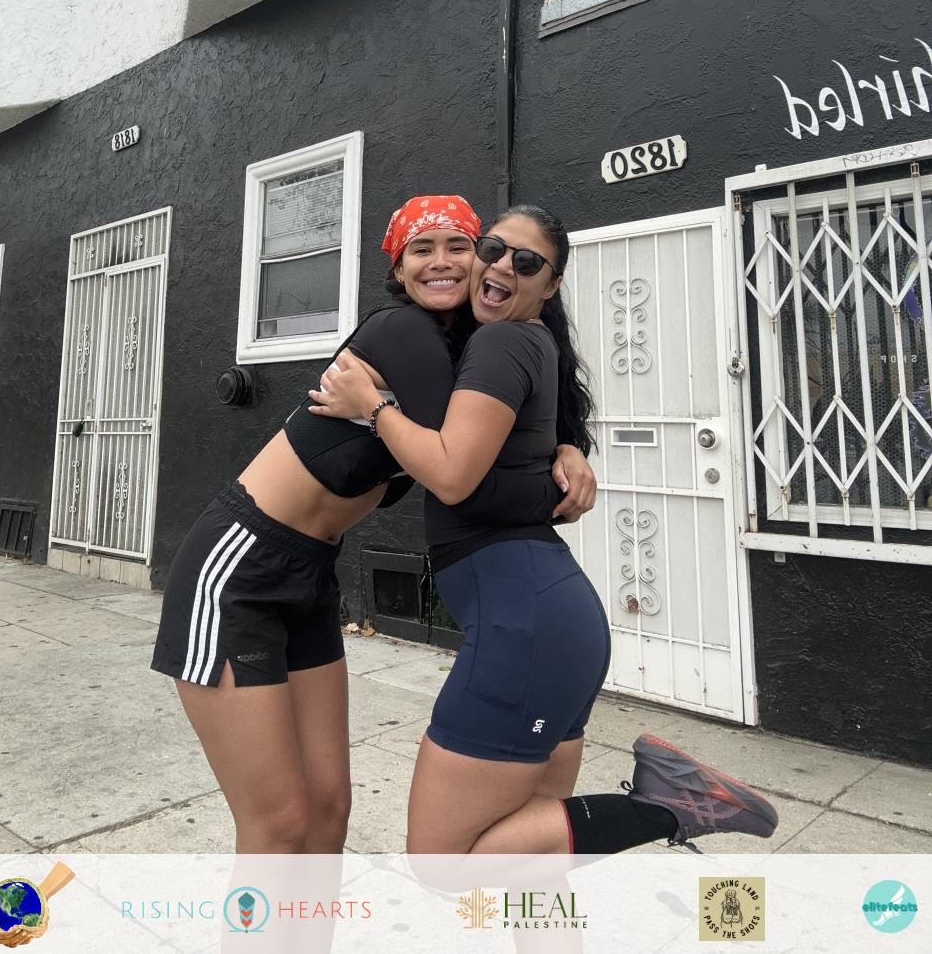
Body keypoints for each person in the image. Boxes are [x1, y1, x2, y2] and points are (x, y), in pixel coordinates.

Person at [310, 204, 779, 856]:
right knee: (532, 857)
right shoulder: (522, 343)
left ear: (550, 284)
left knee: (442, 860)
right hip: (550, 621)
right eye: (493, 248)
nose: (502, 265)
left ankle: (669, 804)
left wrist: (374, 406)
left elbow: (451, 475)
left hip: (523, 628)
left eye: (526, 262)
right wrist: (567, 450)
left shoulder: (501, 342)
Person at [150, 195, 596, 854]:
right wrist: (554, 475)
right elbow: (463, 470)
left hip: (310, 574)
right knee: (277, 822)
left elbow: (500, 436)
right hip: (240, 564)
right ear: (397, 269)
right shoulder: (402, 333)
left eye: (459, 246)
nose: (443, 261)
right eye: (422, 249)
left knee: (329, 809)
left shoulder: (467, 349)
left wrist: (567, 448)